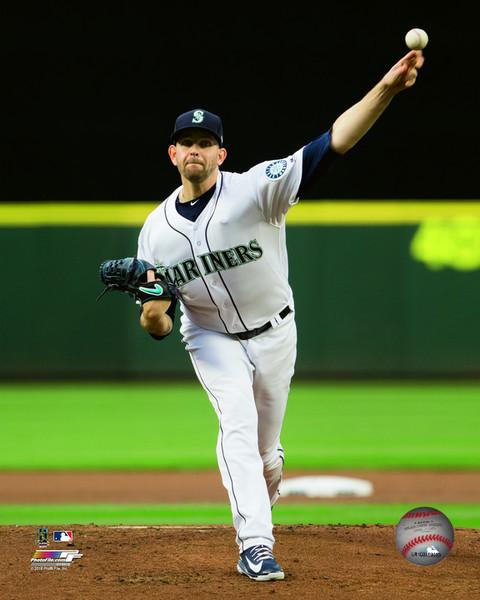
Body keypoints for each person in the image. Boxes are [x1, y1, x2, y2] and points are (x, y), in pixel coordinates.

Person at [136, 49, 424, 581]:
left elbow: (333, 141)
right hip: (209, 336)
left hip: (275, 333)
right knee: (237, 430)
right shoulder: (155, 232)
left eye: (206, 143)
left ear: (222, 154)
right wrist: (151, 305)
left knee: (266, 456)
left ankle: (261, 499)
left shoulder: (257, 190)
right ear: (171, 153)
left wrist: (385, 89)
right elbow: (156, 323)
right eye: (187, 144)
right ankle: (255, 545)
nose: (196, 151)